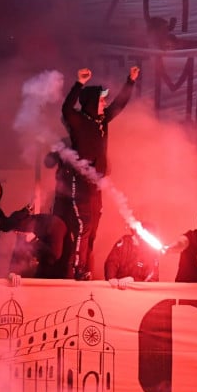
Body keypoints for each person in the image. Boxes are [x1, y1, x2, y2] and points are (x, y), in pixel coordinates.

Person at [60, 66, 139, 280]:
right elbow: (66, 109)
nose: (104, 103)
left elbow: (119, 105)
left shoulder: (102, 121)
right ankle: (78, 269)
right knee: (84, 225)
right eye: (101, 100)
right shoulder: (79, 121)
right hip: (82, 183)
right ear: (92, 103)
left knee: (93, 229)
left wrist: (130, 81)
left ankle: (85, 269)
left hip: (98, 185)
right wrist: (78, 84)